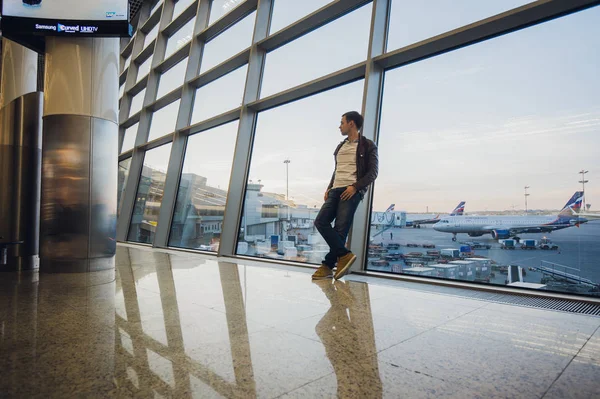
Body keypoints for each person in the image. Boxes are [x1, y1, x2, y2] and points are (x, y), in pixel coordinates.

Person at [312, 111, 378, 280]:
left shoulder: (368, 145)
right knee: (320, 221)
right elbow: (337, 170)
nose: (339, 126)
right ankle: (344, 255)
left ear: (351, 124)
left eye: (342, 122)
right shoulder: (340, 147)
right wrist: (329, 187)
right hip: (335, 189)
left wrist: (355, 187)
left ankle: (327, 266)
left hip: (350, 190)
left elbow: (372, 173)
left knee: (340, 230)